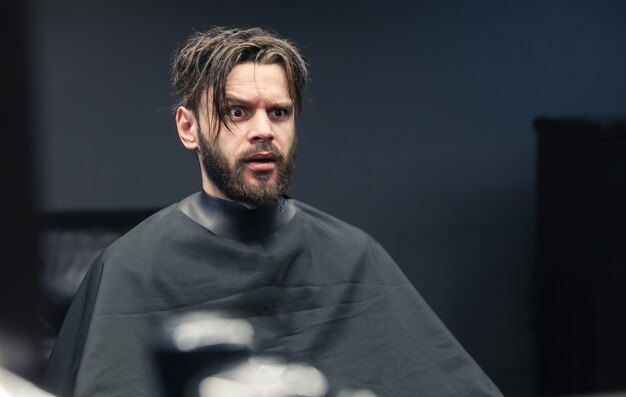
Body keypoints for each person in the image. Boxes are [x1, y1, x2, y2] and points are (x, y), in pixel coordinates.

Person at [43, 27, 502, 397]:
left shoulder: (353, 254)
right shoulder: (128, 268)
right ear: (189, 128)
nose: (263, 130)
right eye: (237, 112)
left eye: (279, 113)